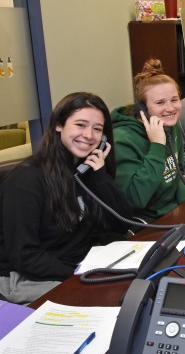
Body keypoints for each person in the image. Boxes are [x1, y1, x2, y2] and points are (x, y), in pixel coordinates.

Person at [0, 92, 131, 304]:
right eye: (80, 125)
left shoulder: (84, 170)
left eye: (97, 129)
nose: (89, 135)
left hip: (77, 264)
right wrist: (77, 276)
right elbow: (24, 255)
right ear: (59, 125)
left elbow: (121, 223)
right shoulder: (26, 180)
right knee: (113, 302)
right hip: (29, 277)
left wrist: (100, 176)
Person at [112, 59, 185, 222]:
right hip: (148, 224)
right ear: (142, 108)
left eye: (174, 100)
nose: (170, 108)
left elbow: (178, 173)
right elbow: (136, 199)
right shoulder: (123, 139)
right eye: (160, 103)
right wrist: (156, 146)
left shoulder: (171, 125)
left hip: (177, 212)